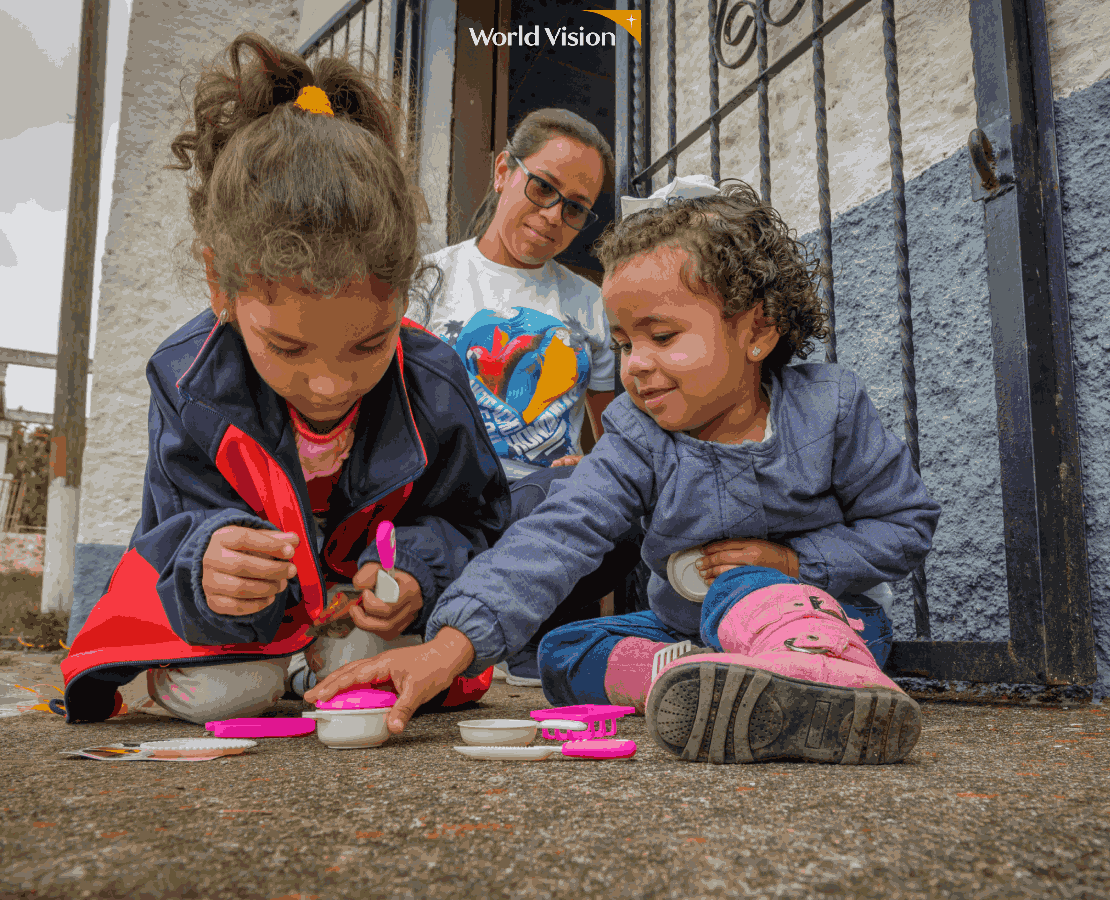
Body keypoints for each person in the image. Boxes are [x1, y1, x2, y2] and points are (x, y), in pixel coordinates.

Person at [307, 179, 941, 766]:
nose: (635, 365)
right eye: (623, 344)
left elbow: (906, 523)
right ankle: (694, 679)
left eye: (662, 337)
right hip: (686, 630)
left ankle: (808, 676)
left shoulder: (828, 408)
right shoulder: (639, 436)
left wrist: (797, 566)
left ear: (758, 330)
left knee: (738, 587)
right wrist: (449, 647)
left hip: (835, 620)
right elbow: (557, 533)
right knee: (562, 653)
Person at [59, 33, 510, 724]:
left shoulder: (434, 380)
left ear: (402, 296)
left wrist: (419, 572)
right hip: (247, 625)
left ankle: (315, 666)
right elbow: (169, 529)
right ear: (221, 285)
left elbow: (479, 520)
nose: (329, 385)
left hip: (363, 617)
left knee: (369, 654)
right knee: (220, 692)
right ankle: (297, 667)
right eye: (289, 346)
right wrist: (208, 566)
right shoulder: (188, 380)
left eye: (367, 342)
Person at [414, 109, 642, 686]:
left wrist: (591, 468)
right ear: (502, 171)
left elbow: (615, 431)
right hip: (451, 506)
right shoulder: (427, 281)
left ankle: (532, 647)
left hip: (543, 508)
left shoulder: (590, 302)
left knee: (615, 501)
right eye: (542, 187)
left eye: (574, 208)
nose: (551, 217)